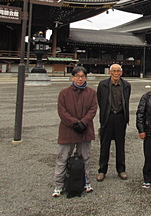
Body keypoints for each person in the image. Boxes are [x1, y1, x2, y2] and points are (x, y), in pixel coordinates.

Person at [52, 66, 98, 197]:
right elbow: (62, 111)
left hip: (85, 129)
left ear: (86, 78)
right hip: (68, 130)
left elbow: (93, 109)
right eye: (77, 76)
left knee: (86, 158)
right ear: (72, 77)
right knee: (62, 158)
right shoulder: (64, 93)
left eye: (82, 76)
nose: (80, 78)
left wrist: (83, 122)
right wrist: (74, 123)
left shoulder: (91, 93)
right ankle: (58, 185)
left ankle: (86, 182)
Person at [96, 63, 131, 182]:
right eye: (114, 71)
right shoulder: (103, 85)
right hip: (108, 117)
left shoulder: (126, 85)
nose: (116, 73)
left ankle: (121, 169)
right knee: (104, 145)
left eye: (118, 71)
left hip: (120, 117)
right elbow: (100, 101)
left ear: (121, 72)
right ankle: (102, 170)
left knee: (120, 145)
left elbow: (126, 101)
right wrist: (105, 114)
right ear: (110, 72)